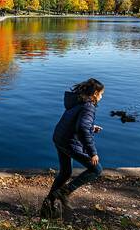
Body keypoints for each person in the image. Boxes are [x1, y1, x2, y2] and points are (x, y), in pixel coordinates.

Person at [41, 78, 105, 219]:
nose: (101, 97)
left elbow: (77, 123)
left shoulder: (78, 102)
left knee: (65, 173)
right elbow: (82, 128)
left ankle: (48, 206)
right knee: (96, 169)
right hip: (69, 142)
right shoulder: (89, 106)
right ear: (95, 93)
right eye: (101, 94)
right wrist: (92, 152)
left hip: (60, 138)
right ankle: (65, 192)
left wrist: (91, 127)